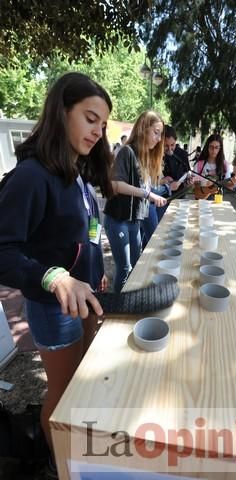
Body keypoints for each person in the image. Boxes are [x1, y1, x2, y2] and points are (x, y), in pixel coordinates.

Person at [0, 72, 113, 477]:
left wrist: (95, 271)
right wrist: (55, 278)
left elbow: (87, 228)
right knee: (64, 393)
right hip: (53, 306)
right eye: (90, 118)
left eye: (102, 124)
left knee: (81, 384)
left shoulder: (75, 171)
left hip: (85, 298)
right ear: (61, 112)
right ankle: (58, 464)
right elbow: (4, 250)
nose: (98, 131)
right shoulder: (31, 176)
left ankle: (74, 451)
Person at [103, 110, 167, 292]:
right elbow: (115, 185)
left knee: (135, 267)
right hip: (117, 220)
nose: (159, 138)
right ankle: (118, 309)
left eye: (160, 134)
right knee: (124, 269)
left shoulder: (146, 157)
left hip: (134, 221)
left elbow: (146, 188)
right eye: (156, 132)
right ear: (143, 129)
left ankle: (128, 299)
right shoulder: (126, 151)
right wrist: (148, 195)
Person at [162, 125, 190, 191]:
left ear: (176, 141)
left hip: (180, 193)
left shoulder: (182, 154)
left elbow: (187, 172)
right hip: (161, 194)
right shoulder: (157, 155)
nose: (169, 149)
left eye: (172, 145)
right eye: (166, 146)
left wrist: (186, 180)